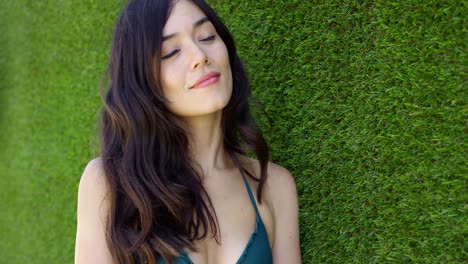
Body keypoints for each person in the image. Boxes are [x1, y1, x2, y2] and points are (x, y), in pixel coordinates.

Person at [74, 0, 301, 263]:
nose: (199, 56)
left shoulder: (274, 186)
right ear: (142, 81)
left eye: (206, 36)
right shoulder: (109, 184)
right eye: (170, 52)